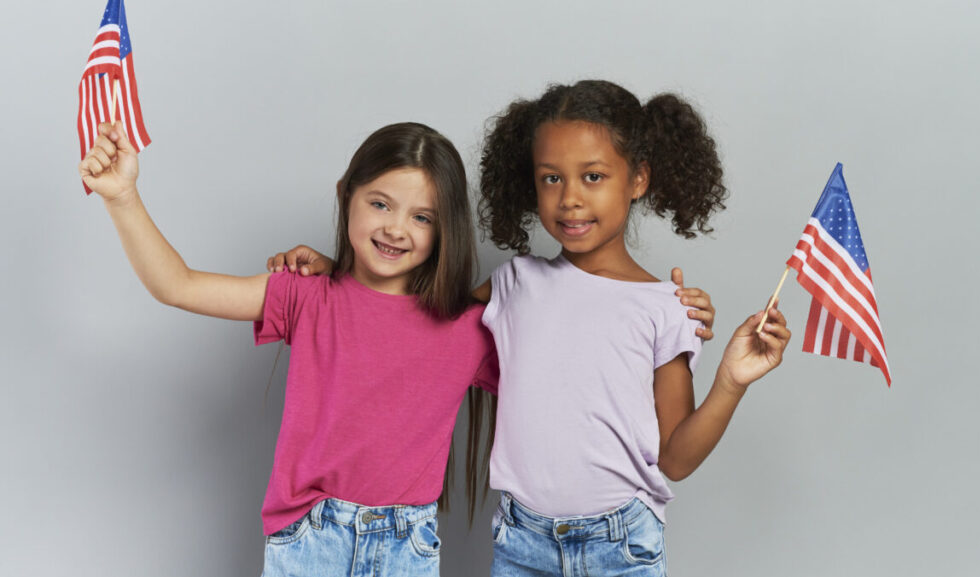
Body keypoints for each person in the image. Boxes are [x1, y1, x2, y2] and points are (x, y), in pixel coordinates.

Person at [264, 80, 787, 577]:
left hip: (620, 545)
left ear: (639, 179)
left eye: (594, 176)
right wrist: (338, 274)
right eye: (551, 177)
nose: (570, 198)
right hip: (521, 542)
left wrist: (730, 382)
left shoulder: (666, 309)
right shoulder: (514, 283)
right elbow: (409, 319)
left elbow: (675, 459)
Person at [80, 121, 501, 577]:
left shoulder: (467, 329)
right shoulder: (306, 296)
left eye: (422, 217)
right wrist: (122, 198)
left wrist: (520, 285)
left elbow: (569, 362)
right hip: (310, 540)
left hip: (407, 548)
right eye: (380, 204)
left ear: (446, 229)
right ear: (346, 195)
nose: (396, 229)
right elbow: (177, 285)